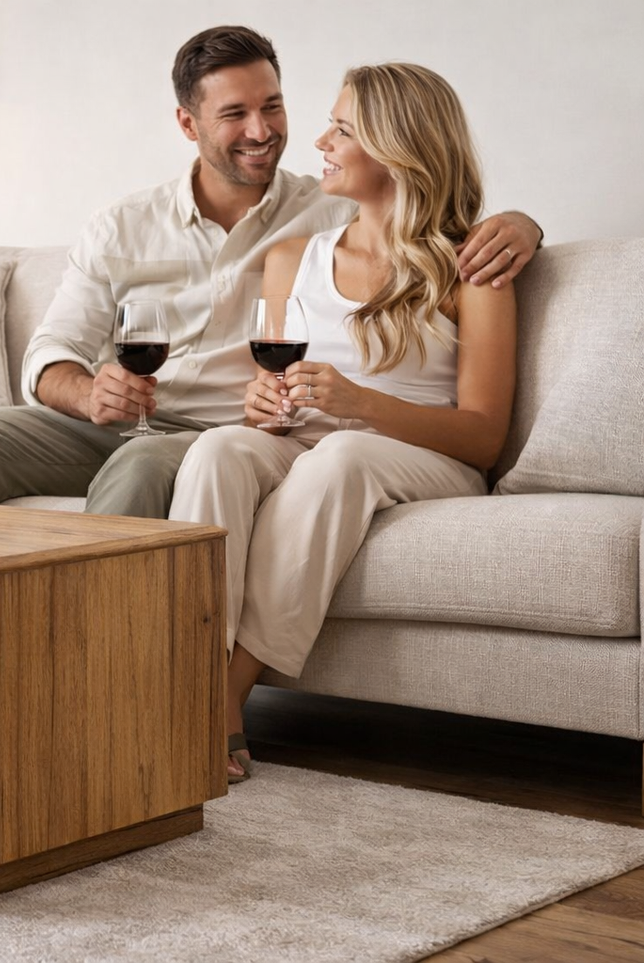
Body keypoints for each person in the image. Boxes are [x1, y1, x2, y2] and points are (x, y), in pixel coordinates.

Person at [0, 26, 537, 582]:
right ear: (187, 123)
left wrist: (521, 224)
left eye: (273, 106)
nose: (262, 131)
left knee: (144, 464)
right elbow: (51, 350)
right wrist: (90, 394)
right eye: (234, 114)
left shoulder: (331, 205)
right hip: (122, 424)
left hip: (230, 433)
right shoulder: (122, 225)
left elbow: (421, 196)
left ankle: (90, 681)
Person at [167, 62, 517, 784]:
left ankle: (221, 695)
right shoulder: (291, 259)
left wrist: (360, 403)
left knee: (343, 454)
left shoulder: (467, 267)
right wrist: (261, 407)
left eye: (342, 128)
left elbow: (483, 436)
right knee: (218, 450)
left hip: (415, 454)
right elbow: (268, 388)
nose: (318, 139)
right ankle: (181, 674)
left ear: (397, 145)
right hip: (309, 440)